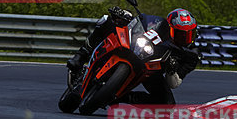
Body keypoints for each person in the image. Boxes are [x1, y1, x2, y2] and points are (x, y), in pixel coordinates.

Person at [66, 7, 201, 104]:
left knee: (167, 104)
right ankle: (79, 57)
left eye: (189, 34)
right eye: (181, 34)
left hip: (154, 71)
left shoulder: (191, 56)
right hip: (139, 51)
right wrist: (125, 15)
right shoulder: (160, 25)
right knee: (107, 21)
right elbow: (141, 23)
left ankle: (123, 97)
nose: (184, 38)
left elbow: (174, 84)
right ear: (170, 28)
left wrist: (172, 70)